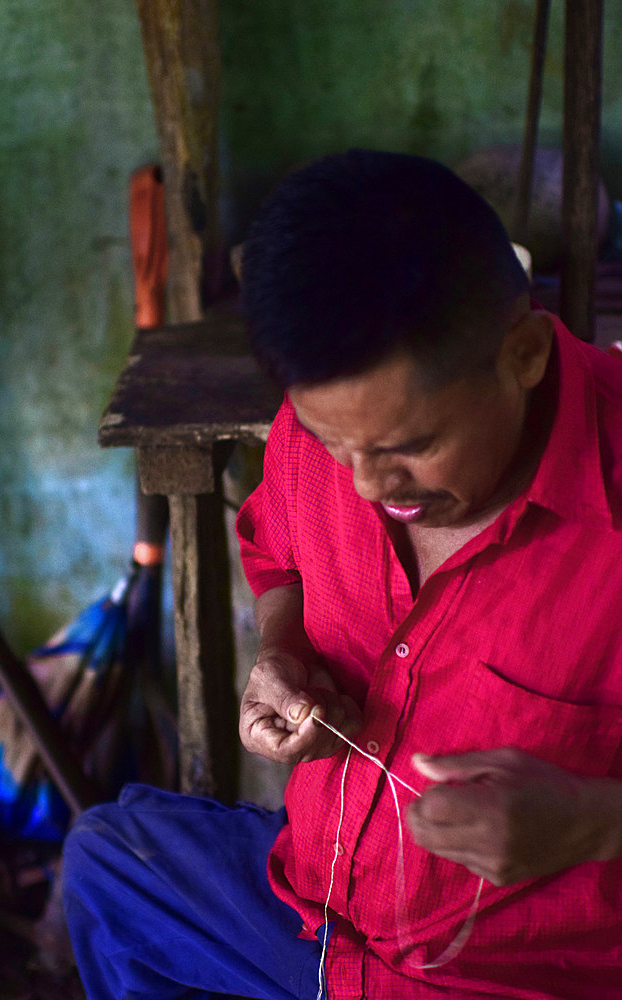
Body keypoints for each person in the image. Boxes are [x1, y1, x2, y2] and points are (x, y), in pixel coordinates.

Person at [63, 151, 622, 1000]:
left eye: (409, 447)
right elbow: (277, 547)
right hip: (313, 917)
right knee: (112, 860)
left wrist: (591, 823)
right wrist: (281, 654)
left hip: (498, 978)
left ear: (525, 355)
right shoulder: (331, 417)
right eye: (335, 446)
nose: (365, 486)